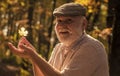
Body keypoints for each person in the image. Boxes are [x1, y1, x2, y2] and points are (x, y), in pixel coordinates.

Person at [8, 3, 109, 76]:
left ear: (83, 24)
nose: (62, 25)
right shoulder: (58, 48)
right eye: (59, 21)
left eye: (69, 20)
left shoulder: (91, 47)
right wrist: (33, 57)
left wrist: (34, 55)